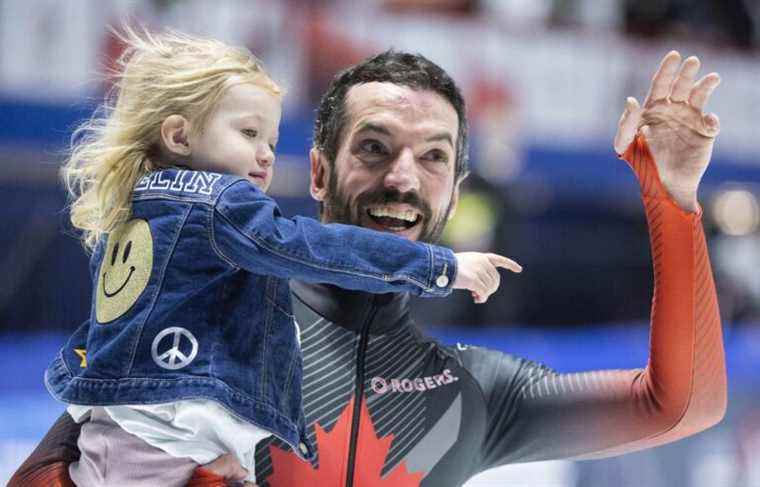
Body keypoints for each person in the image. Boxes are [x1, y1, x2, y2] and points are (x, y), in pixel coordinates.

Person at [10, 49, 726, 487]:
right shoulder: (211, 322)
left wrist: (671, 200)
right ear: (318, 171)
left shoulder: (471, 392)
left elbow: (683, 404)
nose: (403, 179)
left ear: (455, 186)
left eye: (435, 157)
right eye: (375, 148)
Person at [33, 29, 521, 487]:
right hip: (164, 435)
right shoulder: (217, 205)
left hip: (129, 422)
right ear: (180, 136)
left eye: (270, 140)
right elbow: (312, 248)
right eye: (248, 134)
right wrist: (440, 267)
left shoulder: (140, 202)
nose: (266, 155)